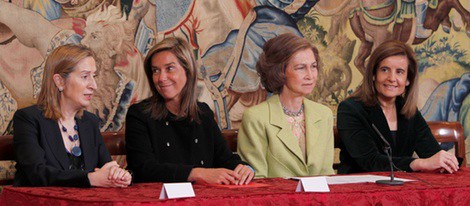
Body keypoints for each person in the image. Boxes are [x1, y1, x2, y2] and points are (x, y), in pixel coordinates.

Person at [125, 37, 254, 185]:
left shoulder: (203, 113)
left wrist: (244, 168)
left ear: (188, 70)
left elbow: (224, 158)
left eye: (169, 68)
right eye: (155, 70)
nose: (161, 78)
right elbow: (142, 168)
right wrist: (197, 173)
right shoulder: (139, 114)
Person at [13, 44, 132, 187]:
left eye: (93, 76)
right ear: (60, 81)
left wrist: (119, 175)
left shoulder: (90, 121)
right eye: (85, 76)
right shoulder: (28, 119)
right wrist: (90, 178)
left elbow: (107, 167)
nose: (93, 85)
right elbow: (37, 174)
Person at [337, 40, 459, 174]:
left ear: (408, 80)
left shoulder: (408, 111)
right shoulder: (350, 109)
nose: (392, 78)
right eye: (385, 70)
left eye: (399, 72)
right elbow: (370, 161)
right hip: (359, 189)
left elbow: (432, 154)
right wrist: (418, 163)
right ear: (373, 74)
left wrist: (444, 161)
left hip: (400, 190)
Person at [237, 33, 335, 178]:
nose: (310, 75)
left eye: (313, 66)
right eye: (301, 68)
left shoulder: (324, 114)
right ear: (279, 72)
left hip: (321, 199)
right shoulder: (256, 117)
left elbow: (327, 173)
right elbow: (258, 180)